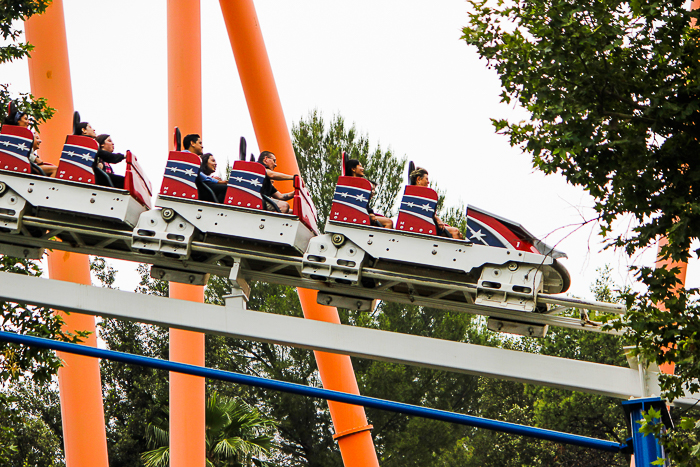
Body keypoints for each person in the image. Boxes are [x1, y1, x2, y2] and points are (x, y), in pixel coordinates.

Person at [410, 166, 464, 240]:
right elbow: (425, 212)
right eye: (426, 179)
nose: (428, 182)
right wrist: (438, 220)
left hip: (429, 224)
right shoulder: (416, 194)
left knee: (460, 235)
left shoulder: (421, 194)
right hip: (424, 226)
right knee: (455, 232)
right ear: (418, 179)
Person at [345, 158, 393, 229]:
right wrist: (369, 213)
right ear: (353, 169)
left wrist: (370, 213)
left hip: (362, 213)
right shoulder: (354, 186)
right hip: (358, 215)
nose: (363, 168)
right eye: (360, 166)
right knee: (389, 222)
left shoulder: (356, 184)